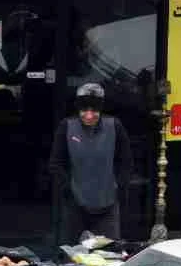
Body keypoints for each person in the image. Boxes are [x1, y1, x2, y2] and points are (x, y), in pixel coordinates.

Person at [48, 82, 132, 245]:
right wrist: (67, 188)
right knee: (71, 254)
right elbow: (55, 163)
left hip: (108, 203)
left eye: (94, 110)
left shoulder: (115, 126)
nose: (88, 115)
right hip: (75, 204)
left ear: (101, 110)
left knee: (108, 253)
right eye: (84, 110)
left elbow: (126, 162)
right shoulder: (67, 127)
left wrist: (119, 186)